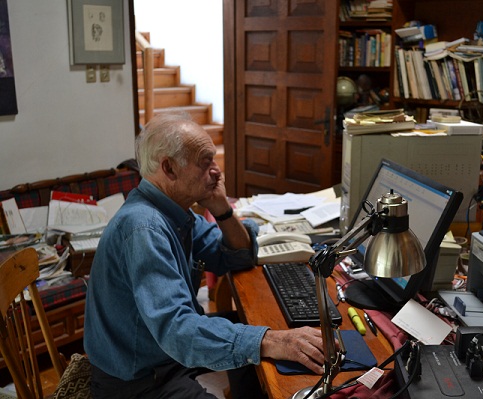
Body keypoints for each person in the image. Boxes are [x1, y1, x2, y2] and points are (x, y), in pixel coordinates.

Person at [84, 113, 325, 399]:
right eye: (205, 161)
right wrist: (270, 340)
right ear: (169, 168)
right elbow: (178, 331)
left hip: (162, 357)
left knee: (255, 333)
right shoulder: (144, 228)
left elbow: (236, 256)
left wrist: (221, 208)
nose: (217, 170)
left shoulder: (173, 210)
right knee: (264, 339)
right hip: (140, 381)